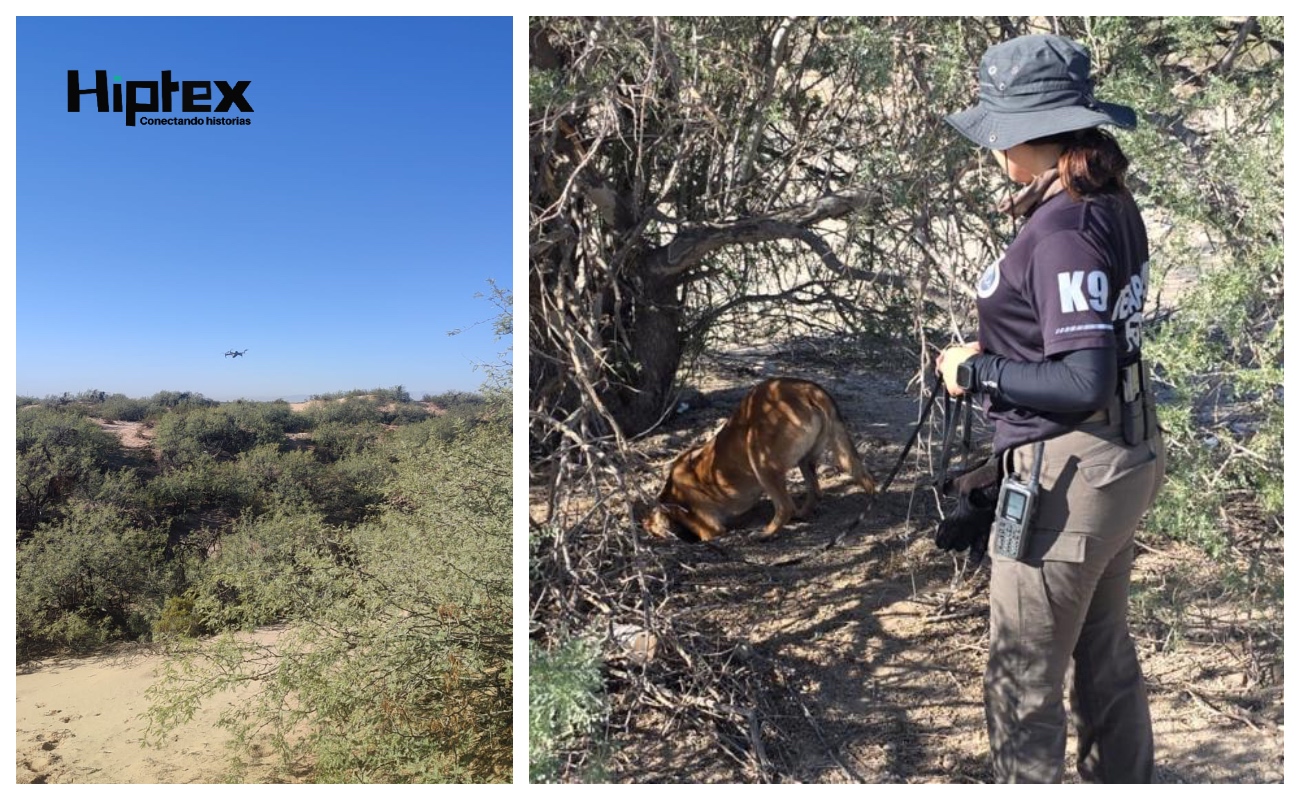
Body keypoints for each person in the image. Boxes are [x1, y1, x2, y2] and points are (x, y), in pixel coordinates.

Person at [936, 34, 1166, 783]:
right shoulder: (1104, 202)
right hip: (1120, 458)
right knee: (1104, 660)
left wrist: (978, 371)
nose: (994, 148)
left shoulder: (1063, 231)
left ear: (1027, 135)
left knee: (1022, 684)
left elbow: (1080, 381)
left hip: (1070, 478)